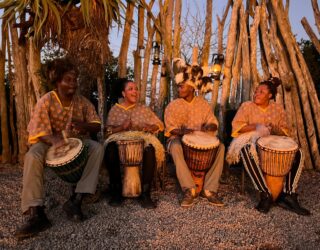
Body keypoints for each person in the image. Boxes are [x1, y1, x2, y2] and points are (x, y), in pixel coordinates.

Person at [15, 58, 104, 239]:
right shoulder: (46, 101)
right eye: (68, 80)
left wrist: (84, 126)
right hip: (47, 143)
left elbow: (96, 125)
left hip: (76, 141)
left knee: (96, 148)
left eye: (74, 79)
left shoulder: (82, 102)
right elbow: (38, 131)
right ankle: (36, 213)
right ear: (57, 81)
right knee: (32, 155)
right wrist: (55, 140)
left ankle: (76, 200)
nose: (73, 84)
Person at [230, 77, 310, 215]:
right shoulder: (247, 106)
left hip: (273, 142)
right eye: (256, 91)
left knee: (298, 152)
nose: (256, 94)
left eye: (261, 92)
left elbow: (286, 131)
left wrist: (274, 129)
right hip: (253, 141)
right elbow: (237, 127)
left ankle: (289, 193)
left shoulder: (277, 108)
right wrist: (256, 126)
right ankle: (265, 193)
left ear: (270, 95)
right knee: (246, 150)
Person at [164, 63, 225, 208]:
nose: (179, 89)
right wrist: (182, 132)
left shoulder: (203, 104)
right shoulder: (173, 105)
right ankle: (189, 190)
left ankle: (209, 190)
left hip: (201, 140)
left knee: (221, 147)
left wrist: (210, 126)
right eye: (179, 86)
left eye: (182, 86)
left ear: (192, 87)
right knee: (177, 147)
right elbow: (170, 129)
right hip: (177, 139)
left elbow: (212, 122)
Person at [104, 79, 164, 209]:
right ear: (123, 93)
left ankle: (146, 194)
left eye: (136, 89)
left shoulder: (143, 109)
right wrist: (121, 127)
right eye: (130, 89)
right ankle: (116, 192)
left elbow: (159, 124)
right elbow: (107, 131)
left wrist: (150, 127)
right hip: (119, 144)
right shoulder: (115, 110)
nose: (135, 92)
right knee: (110, 149)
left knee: (150, 148)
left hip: (141, 143)